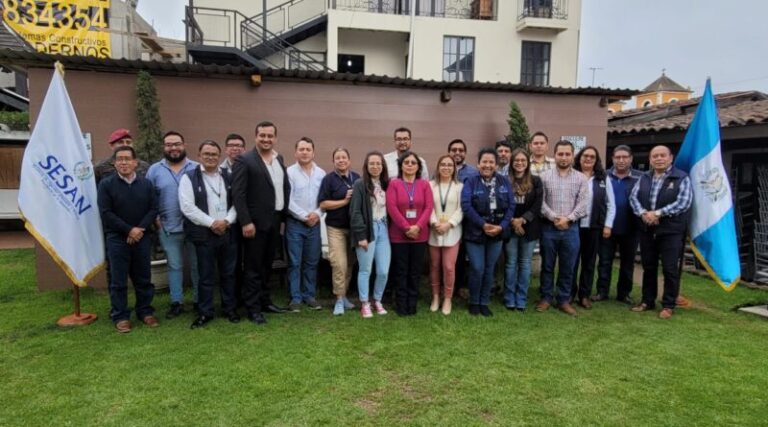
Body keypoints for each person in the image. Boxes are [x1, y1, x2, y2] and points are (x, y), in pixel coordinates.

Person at [231, 121, 291, 325]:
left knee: (267, 265)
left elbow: (282, 188)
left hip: (274, 221)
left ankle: (265, 301)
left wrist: (282, 217)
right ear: (256, 137)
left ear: (275, 138)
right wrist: (245, 222)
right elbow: (238, 194)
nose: (266, 139)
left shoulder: (278, 159)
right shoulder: (244, 160)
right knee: (253, 267)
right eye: (262, 135)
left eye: (270, 136)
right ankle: (253, 308)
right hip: (254, 225)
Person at [97, 146, 159, 333]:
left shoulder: (146, 184)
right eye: (120, 159)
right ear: (115, 163)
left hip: (142, 236)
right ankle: (121, 316)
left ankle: (145, 311)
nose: (123, 162)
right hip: (117, 238)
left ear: (135, 162)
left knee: (143, 278)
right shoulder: (106, 184)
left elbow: (153, 209)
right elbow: (106, 213)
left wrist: (139, 229)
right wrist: (129, 230)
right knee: (118, 280)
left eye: (127, 159)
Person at [179, 141, 239, 328]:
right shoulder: (189, 177)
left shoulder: (228, 175)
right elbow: (187, 207)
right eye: (206, 154)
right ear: (199, 156)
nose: (210, 157)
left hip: (227, 232)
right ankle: (205, 312)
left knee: (229, 273)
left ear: (219, 156)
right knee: (205, 275)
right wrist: (212, 223)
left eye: (214, 154)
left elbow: (238, 202)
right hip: (204, 234)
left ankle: (230, 308)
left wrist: (226, 221)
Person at [629, 145, 692, 319]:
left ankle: (668, 304)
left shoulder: (681, 177)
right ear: (650, 159)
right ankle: (647, 301)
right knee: (648, 267)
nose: (658, 159)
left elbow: (684, 202)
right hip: (647, 229)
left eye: (662, 155)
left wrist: (657, 213)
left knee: (669, 268)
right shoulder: (644, 178)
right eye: (655, 156)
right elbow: (633, 198)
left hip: (671, 231)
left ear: (670, 158)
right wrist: (644, 214)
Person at [146, 131, 200, 319]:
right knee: (174, 266)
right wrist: (155, 220)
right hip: (168, 227)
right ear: (164, 147)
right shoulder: (154, 170)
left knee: (197, 266)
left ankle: (198, 300)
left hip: (195, 227)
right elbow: (149, 197)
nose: (173, 148)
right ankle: (176, 302)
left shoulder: (196, 168)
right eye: (169, 145)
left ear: (184, 145)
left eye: (177, 144)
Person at [537, 140, 588, 316]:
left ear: (573, 156)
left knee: (568, 266)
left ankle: (563, 300)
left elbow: (583, 204)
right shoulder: (544, 177)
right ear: (555, 155)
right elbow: (540, 202)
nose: (564, 157)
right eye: (560, 154)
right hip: (549, 228)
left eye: (567, 154)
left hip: (571, 229)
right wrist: (554, 218)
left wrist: (569, 218)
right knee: (547, 265)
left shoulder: (581, 178)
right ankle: (546, 297)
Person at [462, 148, 514, 317]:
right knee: (477, 268)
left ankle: (484, 302)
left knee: (490, 268)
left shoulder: (504, 182)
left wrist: (502, 226)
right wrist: (483, 225)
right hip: (475, 233)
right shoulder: (470, 181)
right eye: (484, 161)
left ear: (496, 165)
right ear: (478, 164)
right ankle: (474, 301)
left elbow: (511, 206)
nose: (488, 165)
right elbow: (466, 206)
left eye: (491, 162)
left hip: (497, 233)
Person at [387, 151, 434, 316]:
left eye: (413, 162)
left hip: (420, 236)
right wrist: (407, 227)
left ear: (418, 167)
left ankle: (412, 304)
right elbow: (392, 208)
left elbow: (429, 207)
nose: (409, 165)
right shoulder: (394, 184)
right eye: (406, 162)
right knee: (401, 271)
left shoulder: (424, 185)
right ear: (401, 166)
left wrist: (418, 227)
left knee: (415, 272)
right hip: (399, 236)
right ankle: (401, 305)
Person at [595, 145, 642, 304]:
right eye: (617, 157)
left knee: (627, 263)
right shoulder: (604, 176)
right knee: (604, 261)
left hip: (631, 228)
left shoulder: (640, 178)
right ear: (612, 159)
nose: (621, 160)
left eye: (625, 157)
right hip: (607, 228)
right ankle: (602, 291)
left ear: (631, 159)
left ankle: (624, 293)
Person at [572, 146, 615, 309]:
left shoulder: (603, 178)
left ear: (596, 160)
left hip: (594, 227)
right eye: (585, 155)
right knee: (572, 262)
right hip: (574, 226)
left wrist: (608, 225)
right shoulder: (572, 175)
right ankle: (569, 293)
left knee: (589, 263)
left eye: (592, 156)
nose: (588, 159)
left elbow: (611, 204)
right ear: (579, 158)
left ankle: (584, 295)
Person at [319, 147, 361, 316]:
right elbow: (323, 204)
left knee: (349, 264)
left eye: (344, 157)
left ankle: (343, 296)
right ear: (333, 161)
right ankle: (338, 299)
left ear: (349, 160)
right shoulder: (328, 180)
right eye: (338, 158)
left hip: (353, 230)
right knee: (339, 264)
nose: (341, 160)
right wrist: (344, 201)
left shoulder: (357, 178)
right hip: (335, 228)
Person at [285, 137, 325, 312]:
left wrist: (316, 214)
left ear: (313, 152)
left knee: (311, 261)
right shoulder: (289, 172)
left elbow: (324, 199)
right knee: (295, 262)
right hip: (295, 224)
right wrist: (304, 216)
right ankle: (295, 298)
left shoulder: (321, 173)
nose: (305, 152)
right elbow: (287, 200)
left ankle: (309, 295)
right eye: (301, 149)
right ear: (295, 152)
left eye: (308, 149)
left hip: (314, 224)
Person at [350, 151, 391, 318]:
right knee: (365, 269)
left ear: (383, 166)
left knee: (383, 270)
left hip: (384, 229)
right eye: (372, 163)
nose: (375, 166)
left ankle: (377, 300)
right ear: (366, 166)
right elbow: (355, 212)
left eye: (378, 163)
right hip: (368, 229)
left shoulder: (387, 184)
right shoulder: (360, 184)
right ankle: (365, 303)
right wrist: (361, 236)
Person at [503, 148, 543, 312]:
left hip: (530, 228)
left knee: (525, 263)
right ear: (511, 163)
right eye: (516, 160)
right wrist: (513, 221)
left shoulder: (536, 181)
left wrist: (522, 220)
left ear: (528, 163)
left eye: (523, 160)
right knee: (511, 263)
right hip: (510, 226)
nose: (519, 163)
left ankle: (521, 297)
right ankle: (509, 297)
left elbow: (537, 205)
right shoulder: (504, 181)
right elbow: (502, 203)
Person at [428, 155, 463, 315]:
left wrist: (449, 224)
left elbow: (461, 209)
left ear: (454, 168)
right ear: (438, 167)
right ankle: (436, 296)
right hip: (434, 230)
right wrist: (434, 222)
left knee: (449, 267)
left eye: (450, 165)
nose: (446, 167)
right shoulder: (430, 185)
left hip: (452, 231)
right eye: (443, 164)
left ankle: (448, 298)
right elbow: (427, 206)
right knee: (435, 266)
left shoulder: (459, 187)